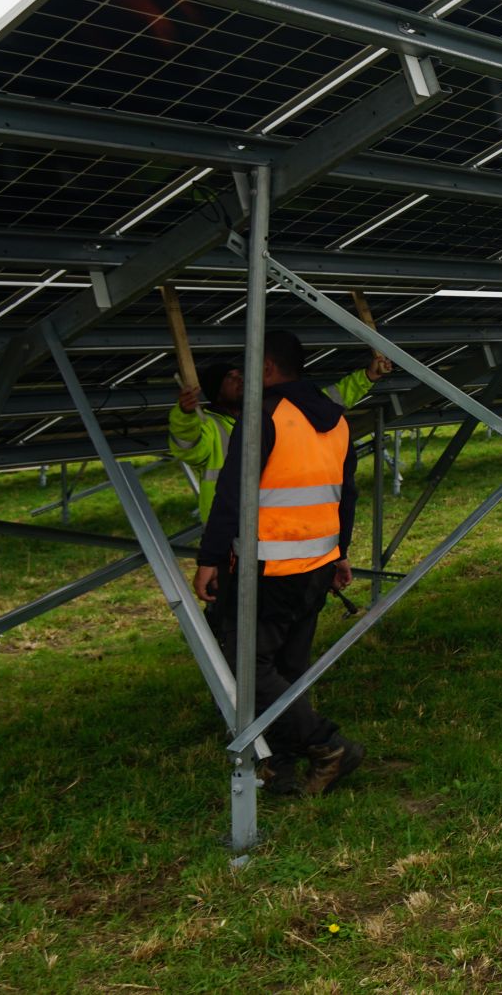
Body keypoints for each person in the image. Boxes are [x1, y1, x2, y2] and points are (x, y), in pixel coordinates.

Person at [193, 329, 364, 799]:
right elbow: (345, 494)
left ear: (266, 368)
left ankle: (327, 745)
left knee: (242, 665)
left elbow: (233, 492)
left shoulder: (264, 416)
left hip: (267, 570)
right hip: (317, 565)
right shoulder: (337, 421)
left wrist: (209, 559)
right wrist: (341, 552)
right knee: (287, 669)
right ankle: (282, 765)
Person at [170, 354, 392, 527]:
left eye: (240, 375)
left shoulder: (268, 413)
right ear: (216, 392)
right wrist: (185, 414)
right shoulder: (209, 427)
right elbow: (188, 446)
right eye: (231, 378)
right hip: (229, 528)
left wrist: (367, 377)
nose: (240, 380)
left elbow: (325, 402)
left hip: (274, 524)